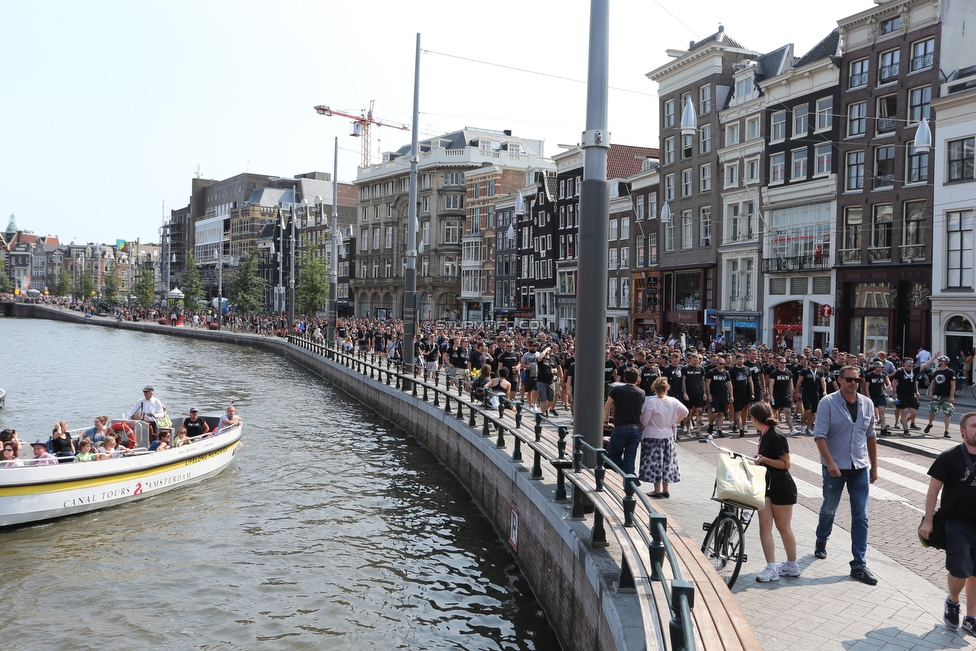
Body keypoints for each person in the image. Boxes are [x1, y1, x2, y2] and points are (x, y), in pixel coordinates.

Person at [812, 364, 879, 585]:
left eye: (856, 380)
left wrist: (874, 466)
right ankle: (821, 539)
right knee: (829, 508)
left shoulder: (867, 404)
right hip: (836, 467)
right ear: (840, 380)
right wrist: (829, 463)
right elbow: (820, 436)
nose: (853, 383)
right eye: (849, 379)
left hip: (859, 467)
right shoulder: (827, 403)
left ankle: (859, 564)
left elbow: (871, 436)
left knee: (861, 516)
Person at [920, 411, 976, 633]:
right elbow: (933, 490)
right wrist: (928, 521)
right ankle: (953, 600)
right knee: (961, 567)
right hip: (956, 522)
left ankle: (971, 616)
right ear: (963, 431)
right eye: (974, 426)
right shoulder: (949, 457)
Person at [750, 401, 800, 582]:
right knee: (764, 524)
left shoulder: (775, 435)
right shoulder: (765, 433)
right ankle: (771, 567)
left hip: (781, 485)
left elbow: (786, 464)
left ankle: (792, 565)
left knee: (783, 527)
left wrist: (763, 459)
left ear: (754, 419)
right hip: (767, 483)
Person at [638, 377, 688, 498]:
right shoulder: (673, 401)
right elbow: (685, 412)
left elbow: (645, 421)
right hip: (668, 435)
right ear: (667, 389)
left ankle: (657, 490)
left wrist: (639, 431)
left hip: (652, 435)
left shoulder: (652, 402)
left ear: (654, 388)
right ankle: (666, 489)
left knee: (655, 463)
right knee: (667, 462)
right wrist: (674, 421)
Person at [603, 367, 646, 476]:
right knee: (630, 458)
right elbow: (641, 412)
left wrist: (605, 422)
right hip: (635, 428)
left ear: (625, 378)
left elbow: (607, 407)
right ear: (637, 379)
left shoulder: (616, 390)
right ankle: (630, 477)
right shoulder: (641, 392)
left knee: (614, 455)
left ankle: (628, 475)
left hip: (619, 427)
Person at [926, 356, 956, 439]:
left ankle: (946, 431)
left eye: (940, 361)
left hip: (946, 396)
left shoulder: (950, 372)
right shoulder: (937, 372)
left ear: (944, 362)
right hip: (936, 395)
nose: (938, 362)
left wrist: (952, 396)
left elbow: (953, 385)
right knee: (933, 411)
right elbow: (933, 382)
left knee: (947, 413)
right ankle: (930, 424)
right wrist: (930, 392)